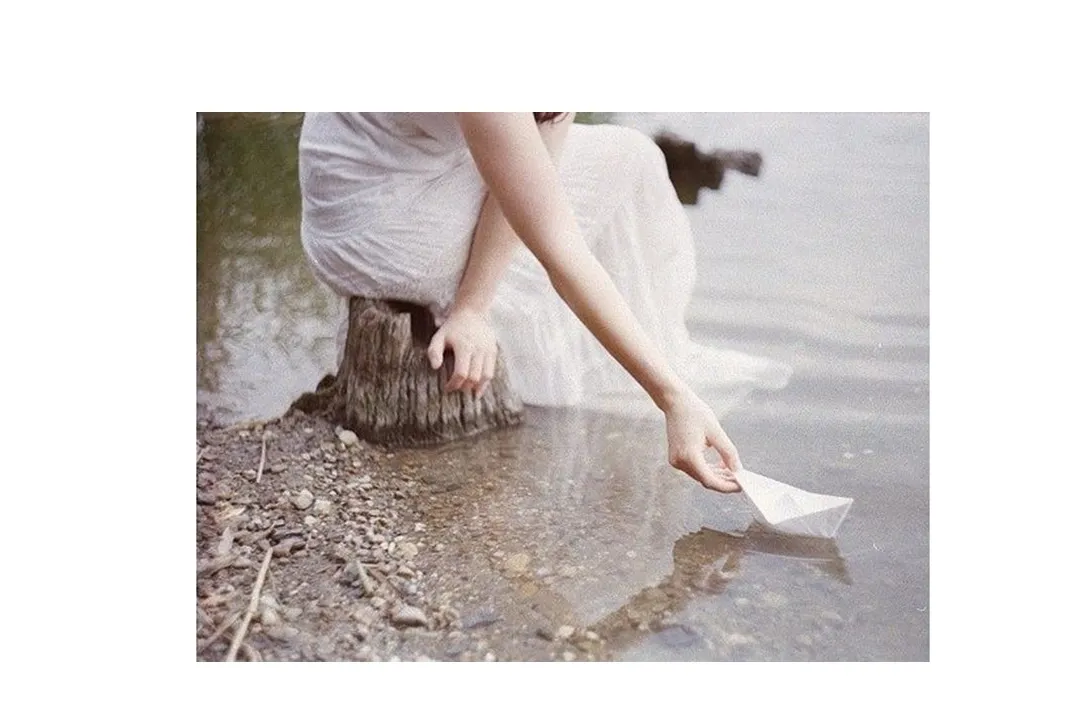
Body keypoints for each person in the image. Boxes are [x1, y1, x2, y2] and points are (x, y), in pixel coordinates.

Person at [298, 113, 790, 494]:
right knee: (564, 205)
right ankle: (649, 385)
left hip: (420, 167)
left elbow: (540, 161)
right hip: (373, 221)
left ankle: (505, 330)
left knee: (631, 155)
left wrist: (474, 302)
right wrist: (671, 396)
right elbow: (560, 249)